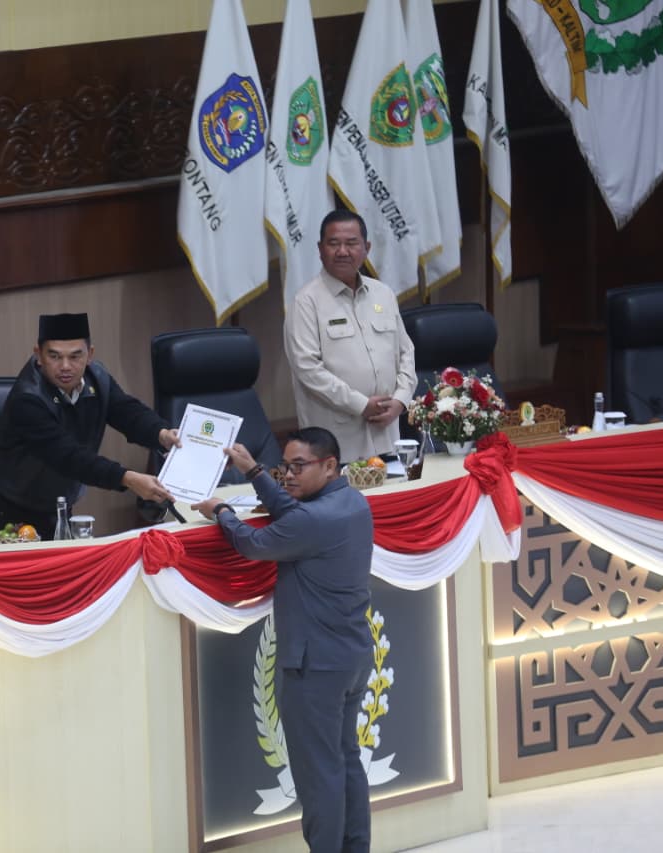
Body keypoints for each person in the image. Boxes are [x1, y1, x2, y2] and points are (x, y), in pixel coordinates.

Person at [192, 427, 373, 853]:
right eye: (284, 466)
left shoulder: (313, 520)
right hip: (350, 657)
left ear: (329, 466)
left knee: (318, 774)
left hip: (315, 667)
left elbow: (252, 543)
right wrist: (255, 471)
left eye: (298, 466)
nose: (288, 475)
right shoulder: (351, 502)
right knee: (345, 761)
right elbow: (291, 510)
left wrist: (221, 511)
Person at [0, 312, 180, 541]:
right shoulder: (28, 398)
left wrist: (161, 433)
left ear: (90, 354)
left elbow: (127, 412)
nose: (65, 366)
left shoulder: (98, 378)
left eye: (76, 356)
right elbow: (69, 457)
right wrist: (128, 478)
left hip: (58, 502)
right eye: (54, 356)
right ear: (38, 355)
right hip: (12, 507)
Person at [285, 210, 417, 463]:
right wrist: (360, 404)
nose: (342, 251)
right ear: (320, 249)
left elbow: (405, 353)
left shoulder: (383, 294)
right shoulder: (306, 302)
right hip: (336, 447)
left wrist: (400, 400)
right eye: (333, 244)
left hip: (388, 436)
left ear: (366, 247)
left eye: (351, 243)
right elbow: (307, 369)